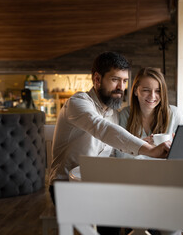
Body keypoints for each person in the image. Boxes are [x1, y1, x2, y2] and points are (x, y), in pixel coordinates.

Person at [49, 52, 171, 198]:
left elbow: (113, 150)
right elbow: (102, 128)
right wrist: (150, 150)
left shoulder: (113, 114)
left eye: (125, 81)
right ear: (97, 79)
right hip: (67, 186)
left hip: (95, 185)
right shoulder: (78, 103)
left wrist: (139, 144)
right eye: (115, 79)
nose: (121, 87)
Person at [117, 67, 183, 159]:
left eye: (158, 91)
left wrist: (177, 147)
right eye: (146, 90)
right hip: (135, 171)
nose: (152, 96)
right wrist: (140, 146)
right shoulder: (125, 115)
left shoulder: (174, 113)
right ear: (135, 91)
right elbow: (118, 154)